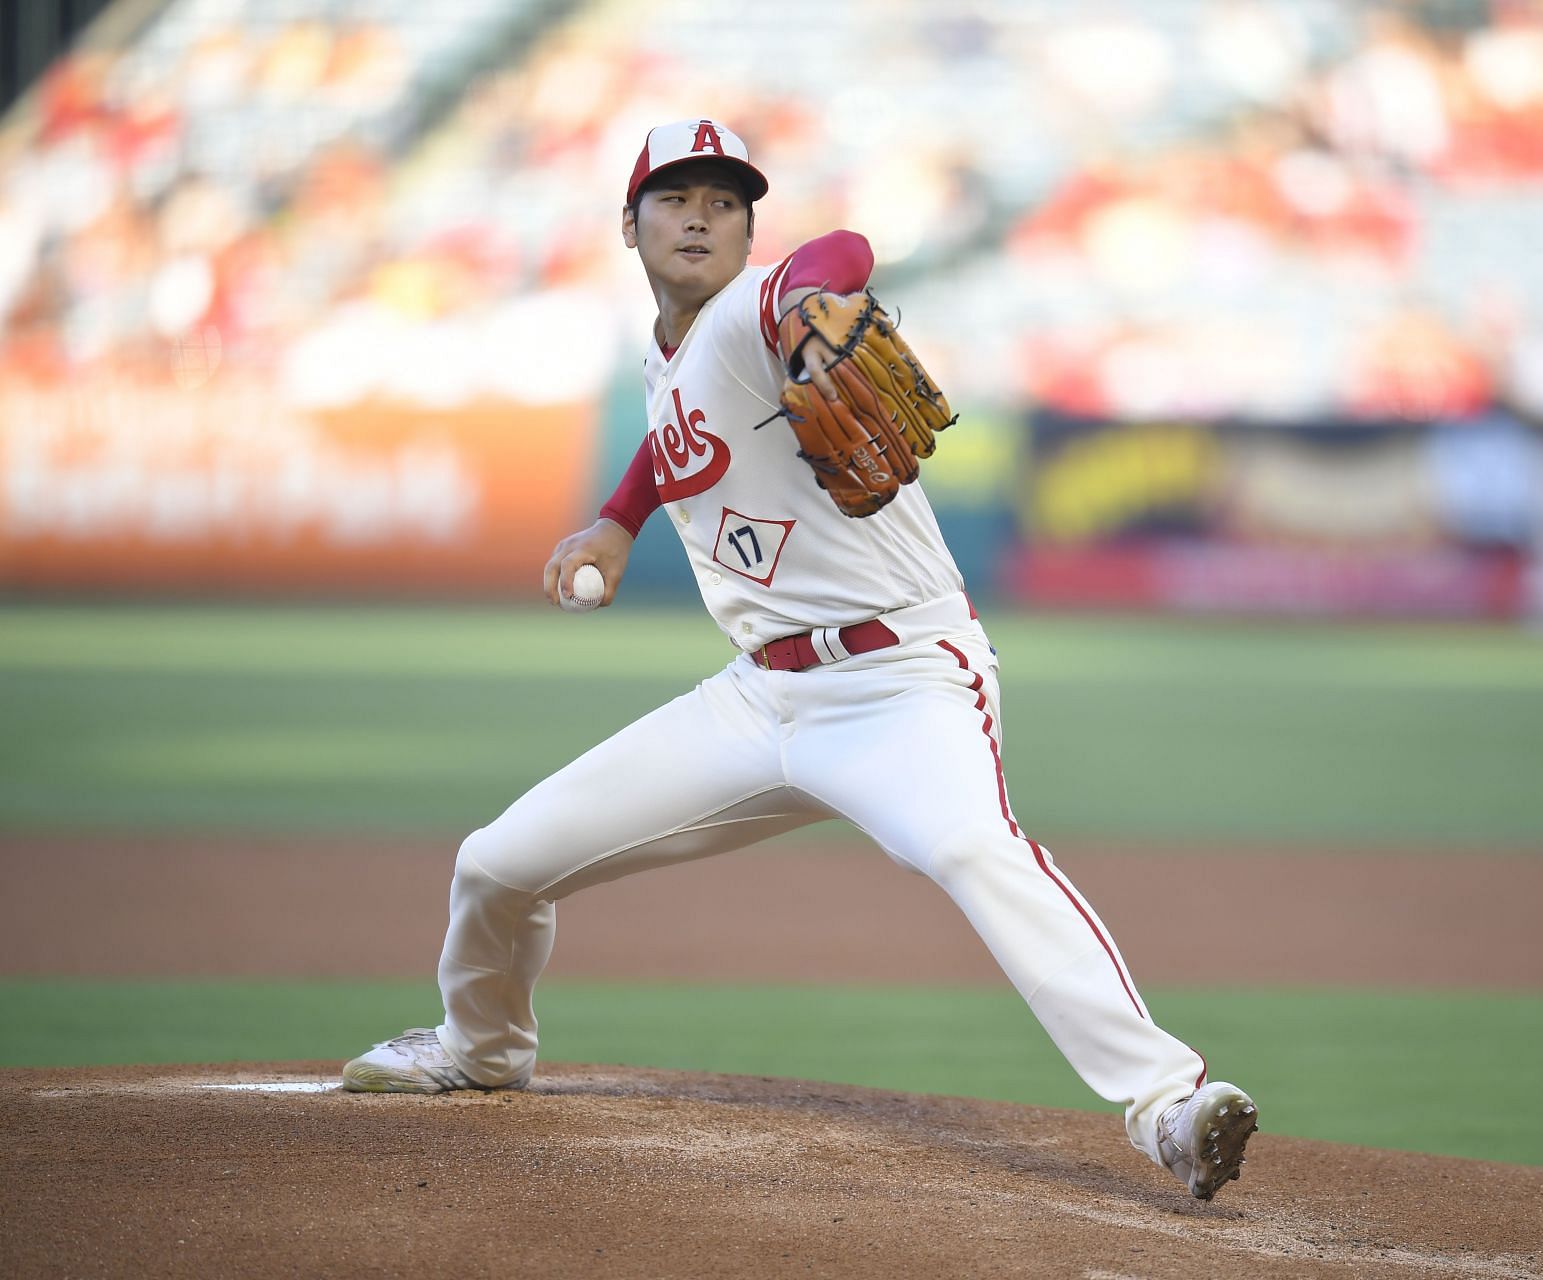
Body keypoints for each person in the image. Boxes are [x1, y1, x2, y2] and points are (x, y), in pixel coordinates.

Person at [342, 118, 1257, 1200]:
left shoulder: (755, 309)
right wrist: (618, 521)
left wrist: (797, 306)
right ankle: (481, 1046)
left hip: (902, 679)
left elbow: (842, 255)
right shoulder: (669, 342)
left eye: (723, 202)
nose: (699, 216)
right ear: (627, 225)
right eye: (675, 198)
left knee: (971, 846)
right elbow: (672, 425)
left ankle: (1168, 1102)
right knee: (497, 862)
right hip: (757, 697)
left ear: (745, 232)